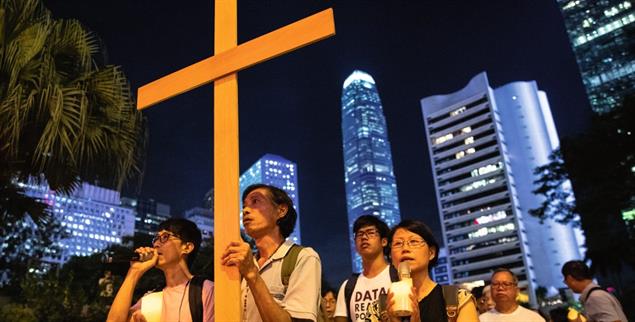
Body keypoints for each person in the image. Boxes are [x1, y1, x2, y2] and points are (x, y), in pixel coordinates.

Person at [221, 184, 322, 322]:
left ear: (281, 210)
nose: (245, 210)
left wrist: (252, 274)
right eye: (244, 206)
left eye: (255, 201)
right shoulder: (242, 264)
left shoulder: (303, 257)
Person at [106, 218, 214, 322]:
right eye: (156, 238)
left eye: (165, 237)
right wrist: (134, 272)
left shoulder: (205, 290)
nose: (156, 244)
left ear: (187, 247)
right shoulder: (152, 299)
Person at [385, 219, 479, 322]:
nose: (405, 248)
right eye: (398, 243)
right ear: (390, 256)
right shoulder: (379, 309)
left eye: (414, 242)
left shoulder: (458, 300)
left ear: (431, 253)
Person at [333, 215, 392, 322]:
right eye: (359, 234)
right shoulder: (348, 286)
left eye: (370, 233)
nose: (364, 237)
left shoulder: (397, 277)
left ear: (384, 241)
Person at [561, 260, 628, 322]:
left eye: (565, 280)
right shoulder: (597, 294)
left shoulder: (595, 297)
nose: (566, 284)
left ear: (570, 278)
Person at [479, 268, 545, 322]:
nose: (500, 288)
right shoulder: (481, 319)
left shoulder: (534, 319)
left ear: (517, 291)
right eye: (495, 284)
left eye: (506, 284)